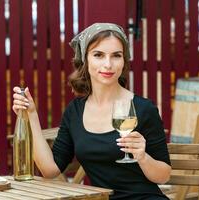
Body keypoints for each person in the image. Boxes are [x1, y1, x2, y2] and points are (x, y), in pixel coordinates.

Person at [12, 23, 171, 199]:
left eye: (116, 56)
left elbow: (163, 175)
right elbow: (50, 169)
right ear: (85, 60)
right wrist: (31, 115)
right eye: (98, 55)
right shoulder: (75, 111)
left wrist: (142, 156)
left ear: (124, 61)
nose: (108, 64)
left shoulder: (143, 109)